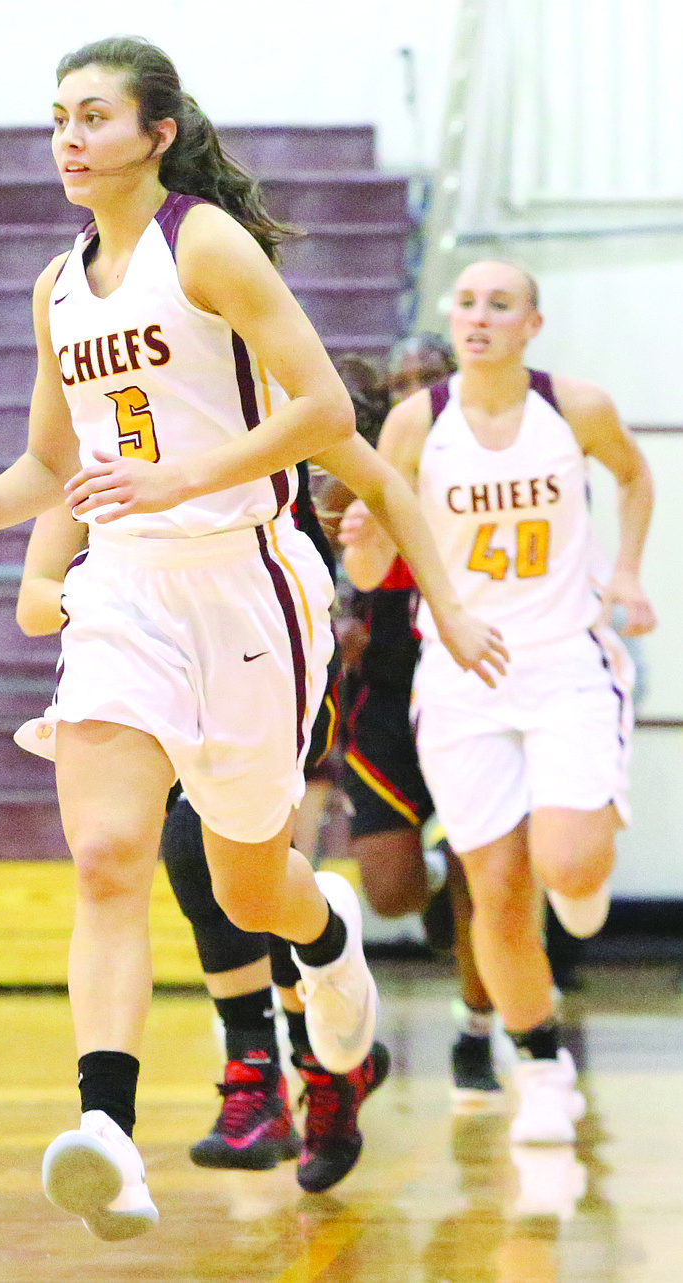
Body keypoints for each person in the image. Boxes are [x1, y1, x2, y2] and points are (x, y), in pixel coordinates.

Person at [0, 37, 505, 1240]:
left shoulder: (202, 242)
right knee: (108, 854)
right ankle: (109, 1126)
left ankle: (327, 935)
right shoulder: (56, 287)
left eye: (93, 115)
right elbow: (52, 463)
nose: (68, 136)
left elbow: (320, 412)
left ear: (157, 133)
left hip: (249, 584)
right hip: (127, 590)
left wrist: (179, 478)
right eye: (57, 117)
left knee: (246, 881)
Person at [341, 261, 655, 1145]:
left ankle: (583, 883)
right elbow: (371, 571)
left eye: (499, 304)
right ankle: (541, 1066)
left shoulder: (575, 407)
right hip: (461, 678)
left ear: (532, 324)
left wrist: (625, 569)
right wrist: (364, 542)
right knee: (498, 889)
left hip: (564, 664)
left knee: (569, 863)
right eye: (468, 303)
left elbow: (634, 479)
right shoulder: (414, 423)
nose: (479, 318)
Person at [16, 474, 389, 1197]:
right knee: (170, 850)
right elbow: (34, 593)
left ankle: (321, 1058)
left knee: (243, 872)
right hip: (143, 652)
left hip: (266, 646)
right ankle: (252, 1066)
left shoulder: (247, 415)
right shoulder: (101, 438)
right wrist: (107, 604)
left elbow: (359, 508)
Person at [338, 334, 503, 1101]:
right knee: (390, 889)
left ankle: (477, 1031)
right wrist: (340, 614)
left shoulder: (494, 459)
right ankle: (431, 884)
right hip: (384, 692)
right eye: (402, 381)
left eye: (428, 377)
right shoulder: (364, 465)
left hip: (471, 681)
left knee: (486, 869)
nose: (415, 391)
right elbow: (333, 559)